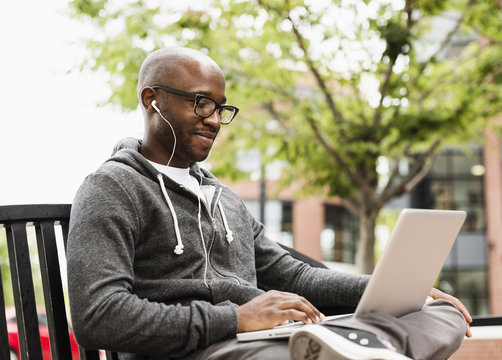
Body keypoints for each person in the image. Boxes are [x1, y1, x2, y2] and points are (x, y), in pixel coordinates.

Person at [67, 47, 471, 360]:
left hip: (261, 340)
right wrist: (235, 319)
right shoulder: (112, 187)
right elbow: (98, 315)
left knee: (439, 315)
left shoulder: (223, 198)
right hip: (198, 349)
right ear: (152, 100)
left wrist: (402, 291)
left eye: (220, 108)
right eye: (200, 102)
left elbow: (295, 276)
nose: (213, 119)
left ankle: (357, 347)